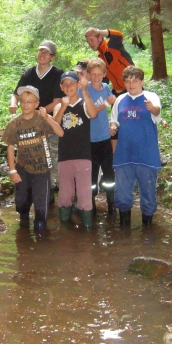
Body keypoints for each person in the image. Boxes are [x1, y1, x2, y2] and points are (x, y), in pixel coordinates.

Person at [2, 86, 64, 233]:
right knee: (21, 203)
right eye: (23, 101)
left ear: (37, 104)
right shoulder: (14, 123)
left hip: (42, 169)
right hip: (22, 168)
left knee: (41, 208)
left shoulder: (42, 119)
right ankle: (23, 231)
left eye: (30, 101)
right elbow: (10, 147)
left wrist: (47, 117)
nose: (25, 105)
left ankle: (40, 235)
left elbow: (60, 133)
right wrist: (12, 171)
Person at [9, 40, 64, 196]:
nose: (43, 54)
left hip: (48, 123)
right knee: (31, 155)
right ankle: (30, 189)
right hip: (29, 124)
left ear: (52, 57)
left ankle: (51, 191)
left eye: (47, 52)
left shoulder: (57, 74)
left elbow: (57, 101)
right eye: (41, 51)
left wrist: (38, 114)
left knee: (50, 156)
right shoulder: (30, 73)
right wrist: (13, 104)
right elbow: (16, 94)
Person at [110, 66, 161, 227]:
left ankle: (148, 228)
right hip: (124, 154)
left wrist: (152, 108)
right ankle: (124, 230)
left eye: (135, 81)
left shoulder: (150, 97)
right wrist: (113, 127)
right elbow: (114, 121)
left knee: (148, 194)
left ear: (142, 82)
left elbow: (157, 113)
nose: (131, 85)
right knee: (122, 195)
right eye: (127, 81)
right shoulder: (120, 100)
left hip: (147, 155)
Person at [54, 71, 97, 229]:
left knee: (85, 194)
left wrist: (85, 91)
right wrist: (63, 107)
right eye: (64, 84)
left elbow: (93, 114)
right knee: (65, 194)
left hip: (83, 155)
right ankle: (65, 228)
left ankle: (87, 228)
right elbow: (55, 126)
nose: (68, 87)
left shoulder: (84, 103)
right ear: (61, 87)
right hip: (64, 156)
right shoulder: (59, 105)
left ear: (78, 84)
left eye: (71, 83)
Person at [83, 58, 116, 215]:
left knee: (109, 172)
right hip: (89, 139)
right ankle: (91, 206)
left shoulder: (106, 88)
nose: (96, 77)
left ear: (104, 74)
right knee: (91, 174)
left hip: (104, 138)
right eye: (93, 74)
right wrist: (106, 104)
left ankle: (111, 204)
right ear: (89, 74)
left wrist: (112, 124)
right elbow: (91, 113)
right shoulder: (84, 90)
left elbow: (113, 105)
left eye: (99, 74)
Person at [84, 28, 134, 94]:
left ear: (99, 37)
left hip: (133, 85)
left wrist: (98, 31)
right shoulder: (100, 57)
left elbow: (119, 35)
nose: (90, 44)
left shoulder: (112, 45)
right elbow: (104, 79)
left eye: (91, 40)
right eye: (88, 42)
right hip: (118, 91)